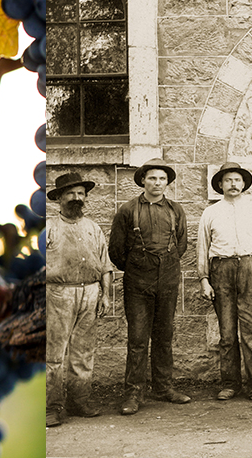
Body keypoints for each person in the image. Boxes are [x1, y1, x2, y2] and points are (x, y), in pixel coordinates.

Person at [108, 158, 192, 414]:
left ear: (167, 183)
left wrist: (164, 267)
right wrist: (138, 267)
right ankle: (134, 393)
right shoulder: (128, 210)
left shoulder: (176, 210)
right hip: (137, 282)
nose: (157, 183)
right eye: (153, 178)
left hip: (167, 278)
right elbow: (116, 251)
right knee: (137, 339)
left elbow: (182, 245)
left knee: (164, 336)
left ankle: (163, 387)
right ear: (143, 180)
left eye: (162, 179)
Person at [197, 162, 252, 404]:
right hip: (221, 270)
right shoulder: (210, 213)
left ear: (244, 184)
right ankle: (230, 384)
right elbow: (202, 247)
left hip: (249, 269)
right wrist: (204, 279)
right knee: (227, 332)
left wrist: (246, 258)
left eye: (237, 180)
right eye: (228, 180)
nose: (233, 184)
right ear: (220, 185)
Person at [38, 172, 109, 427]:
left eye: (80, 193)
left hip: (90, 293)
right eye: (70, 193)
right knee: (54, 353)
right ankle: (52, 406)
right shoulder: (49, 229)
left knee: (83, 352)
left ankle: (79, 400)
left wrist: (105, 295)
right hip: (58, 294)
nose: (76, 198)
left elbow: (105, 266)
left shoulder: (93, 228)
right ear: (59, 198)